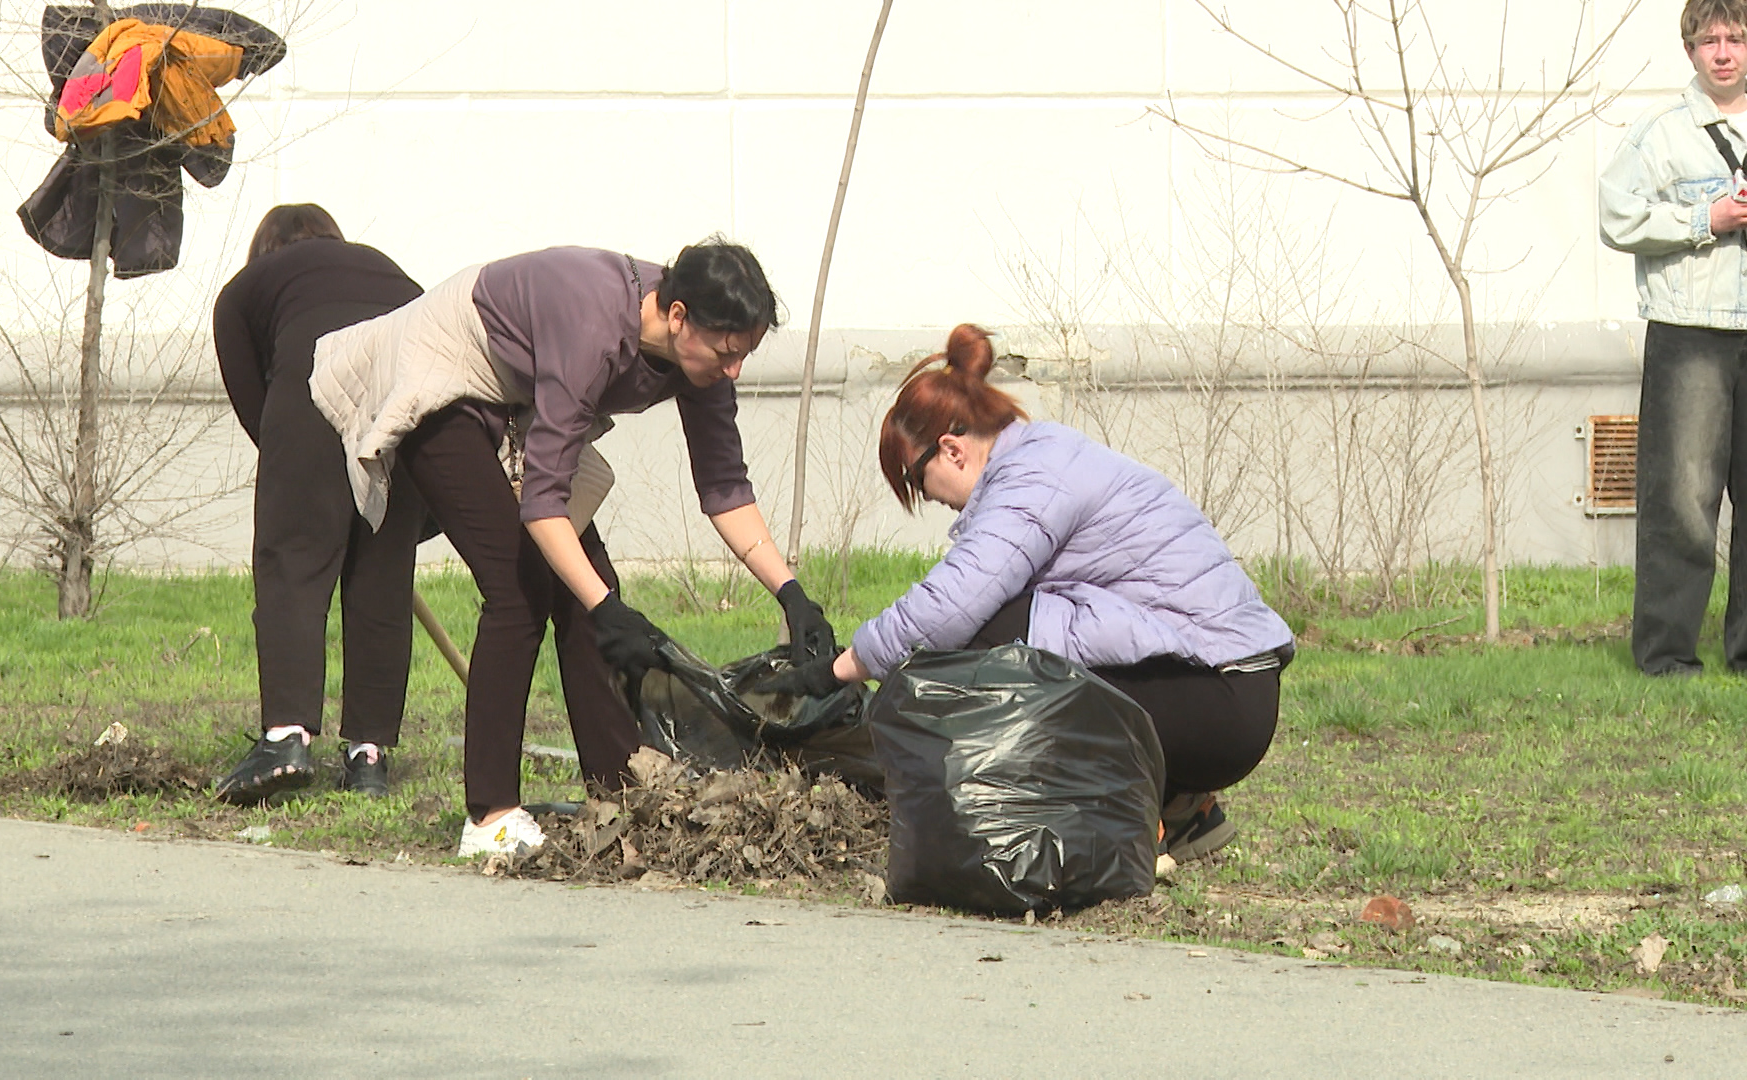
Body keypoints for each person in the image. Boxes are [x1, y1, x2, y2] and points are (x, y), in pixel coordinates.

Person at [310, 240, 836, 857]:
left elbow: (723, 485)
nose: (735, 370)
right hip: (445, 369)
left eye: (744, 355)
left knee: (591, 585)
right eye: (727, 352)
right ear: (677, 316)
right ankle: (490, 817)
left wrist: (791, 593)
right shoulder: (594, 328)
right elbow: (543, 499)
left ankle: (617, 791)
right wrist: (605, 607)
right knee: (519, 589)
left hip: (516, 397)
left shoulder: (703, 357)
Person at [760, 324, 1293, 862]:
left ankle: (1110, 829)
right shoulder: (1039, 458)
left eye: (920, 484)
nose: (931, 501)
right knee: (1009, 630)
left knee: (988, 635)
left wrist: (836, 672)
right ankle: (1181, 808)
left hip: (1219, 698)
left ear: (951, 450)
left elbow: (947, 609)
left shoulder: (1032, 479)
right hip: (1223, 689)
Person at [210, 204, 426, 804]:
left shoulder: (244, 290)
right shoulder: (385, 269)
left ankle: (286, 736)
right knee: (383, 576)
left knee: (293, 565)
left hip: (308, 387)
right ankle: (369, 757)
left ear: (264, 254)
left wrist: (305, 490)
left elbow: (260, 409)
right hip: (410, 384)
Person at [1599, 0, 1747, 676]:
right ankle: (1666, 658)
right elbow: (1616, 215)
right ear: (1690, 50)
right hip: (1692, 332)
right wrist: (1704, 217)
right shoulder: (1660, 133)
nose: (1723, 52)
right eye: (1710, 40)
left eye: (1736, 38)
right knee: (1683, 500)